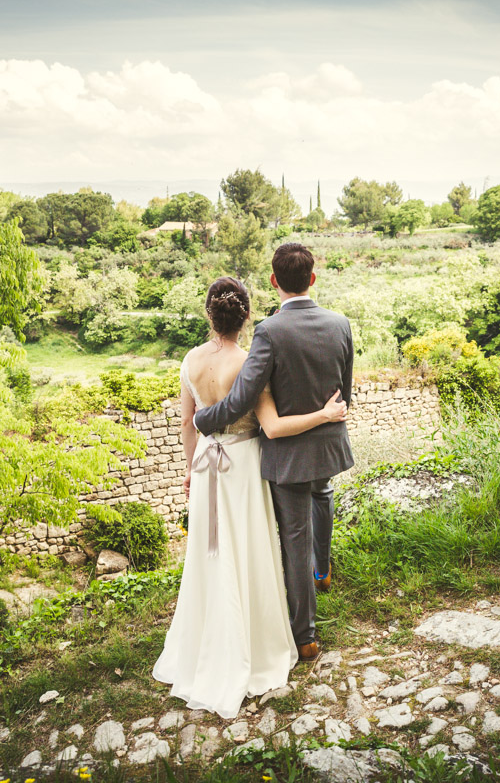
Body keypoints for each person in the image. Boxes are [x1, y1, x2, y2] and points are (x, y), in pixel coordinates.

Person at [152, 276, 348, 719]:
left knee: (208, 555)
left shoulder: (190, 360)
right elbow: (273, 427)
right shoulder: (250, 361)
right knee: (248, 552)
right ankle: (255, 644)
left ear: (208, 314)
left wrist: (188, 471)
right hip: (241, 467)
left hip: (205, 467)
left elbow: (188, 423)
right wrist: (325, 413)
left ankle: (205, 644)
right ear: (245, 316)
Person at [192, 244, 355, 662]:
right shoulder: (341, 324)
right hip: (330, 446)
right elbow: (345, 391)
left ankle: (306, 636)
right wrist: (327, 417)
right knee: (323, 493)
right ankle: (324, 568)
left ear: (273, 281)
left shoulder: (270, 331)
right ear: (312, 279)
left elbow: (243, 397)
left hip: (288, 455)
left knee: (294, 541)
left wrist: (204, 421)